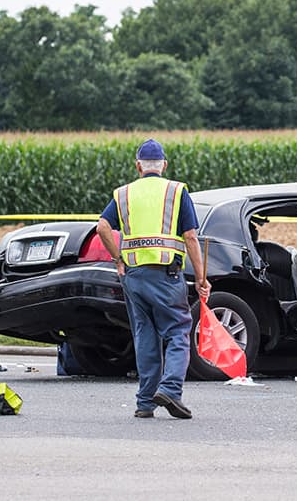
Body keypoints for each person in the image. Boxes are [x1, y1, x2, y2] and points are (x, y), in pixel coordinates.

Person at [96, 139, 211, 419]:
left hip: (133, 277)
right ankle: (170, 390)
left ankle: (145, 402)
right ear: (165, 165)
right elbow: (191, 237)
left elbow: (102, 227)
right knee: (178, 332)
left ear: (138, 167)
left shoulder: (123, 194)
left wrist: (118, 259)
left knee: (145, 335)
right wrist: (201, 278)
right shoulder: (176, 191)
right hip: (166, 275)